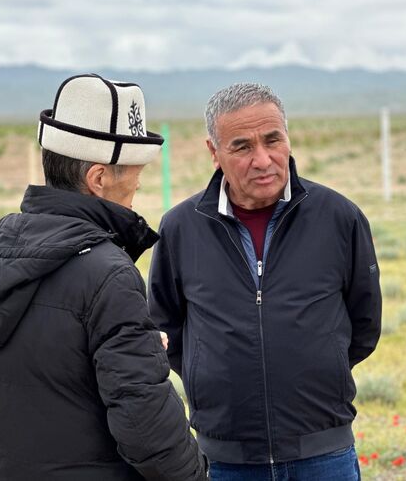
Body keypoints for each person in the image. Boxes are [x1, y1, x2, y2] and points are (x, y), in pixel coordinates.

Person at [0, 74, 207, 480]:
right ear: (99, 178)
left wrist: (131, 346)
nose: (134, 198)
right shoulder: (107, 274)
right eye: (134, 184)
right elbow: (147, 427)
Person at [148, 83, 382, 480]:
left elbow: (364, 323)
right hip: (225, 461)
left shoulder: (340, 218)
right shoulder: (181, 228)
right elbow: (167, 329)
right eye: (242, 147)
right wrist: (214, 377)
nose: (263, 160)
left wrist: (317, 370)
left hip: (324, 456)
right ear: (214, 153)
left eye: (273, 140)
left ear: (287, 138)